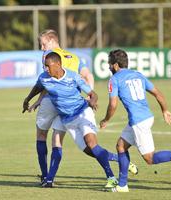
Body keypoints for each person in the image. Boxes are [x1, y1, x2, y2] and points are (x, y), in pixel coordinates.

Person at [24, 29, 137, 187]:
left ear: (51, 41)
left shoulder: (50, 57)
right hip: (64, 112)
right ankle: (49, 179)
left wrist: (90, 97)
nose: (42, 48)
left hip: (69, 107)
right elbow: (45, 83)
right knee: (70, 144)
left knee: (45, 136)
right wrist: (30, 99)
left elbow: (48, 85)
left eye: (43, 44)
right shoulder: (74, 58)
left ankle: (47, 177)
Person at [100, 49, 171, 192]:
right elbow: (157, 93)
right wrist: (165, 110)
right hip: (144, 117)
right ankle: (122, 185)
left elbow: (113, 104)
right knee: (121, 146)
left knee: (150, 158)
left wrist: (106, 120)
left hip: (139, 121)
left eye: (110, 64)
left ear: (116, 65)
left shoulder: (114, 79)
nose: (109, 67)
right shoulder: (138, 75)